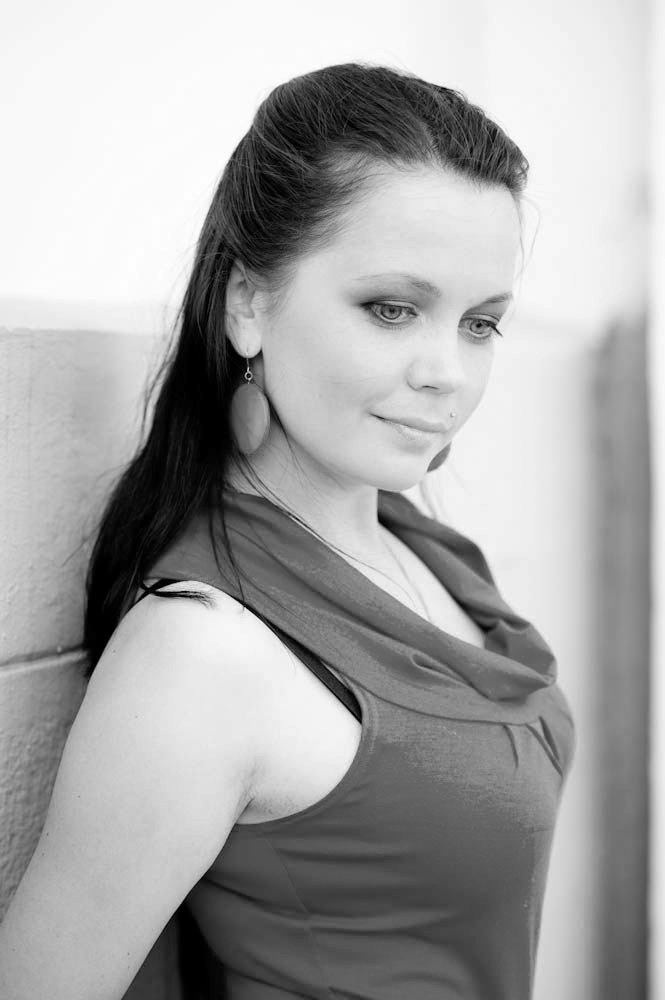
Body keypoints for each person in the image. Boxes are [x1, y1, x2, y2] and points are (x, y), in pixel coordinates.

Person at [0, 62, 576, 1000]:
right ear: (247, 304)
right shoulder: (201, 654)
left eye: (480, 324)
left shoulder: (425, 550)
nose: (447, 371)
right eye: (391, 309)